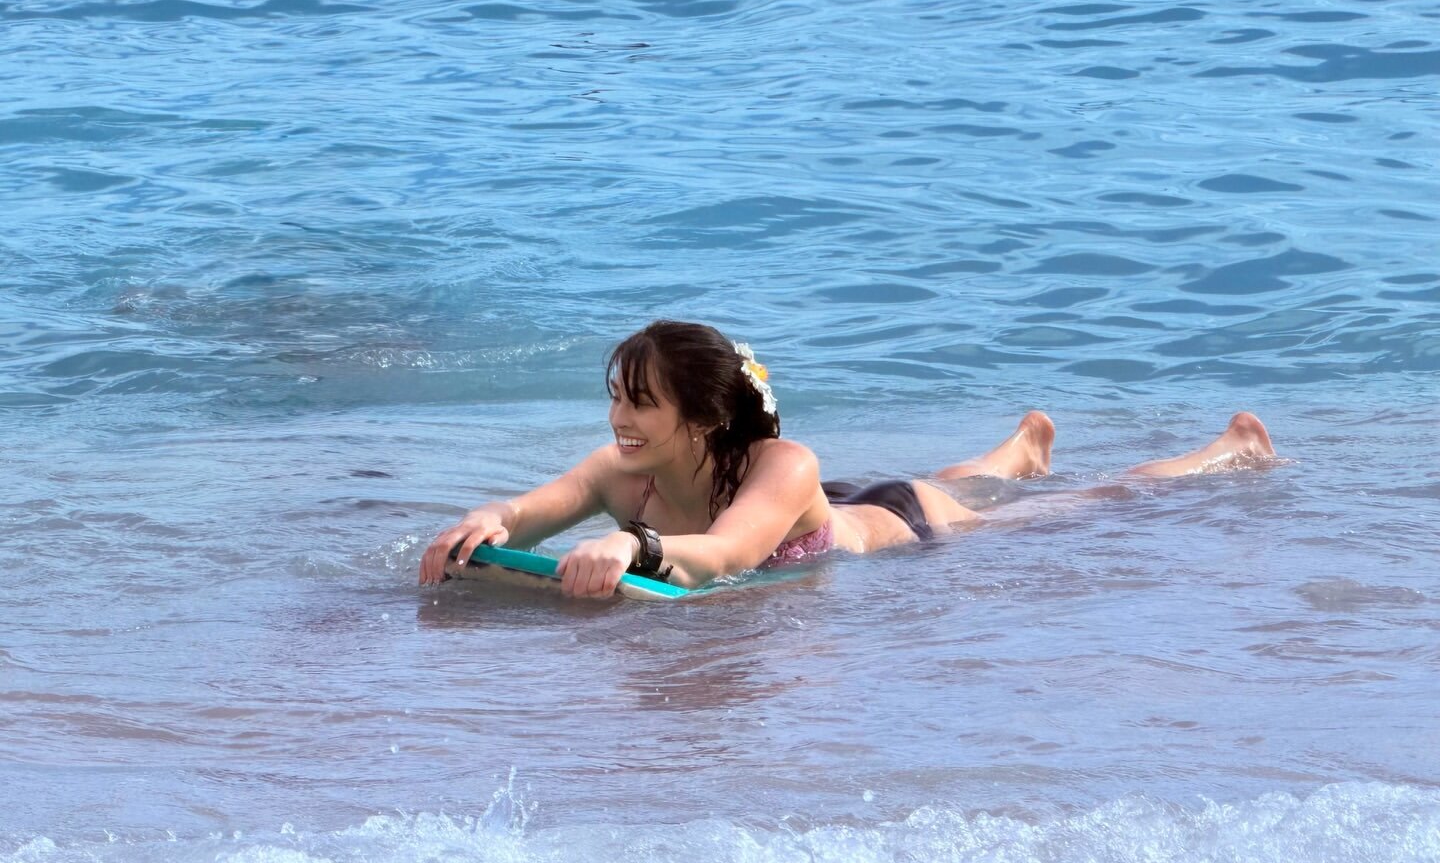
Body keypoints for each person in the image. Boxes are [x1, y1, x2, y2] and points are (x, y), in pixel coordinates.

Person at [418, 319, 1279, 597]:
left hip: (898, 520)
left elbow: (727, 552)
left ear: (704, 417)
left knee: (1079, 507)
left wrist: (630, 545)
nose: (619, 418)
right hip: (815, 503)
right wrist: (486, 522)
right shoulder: (620, 468)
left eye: (640, 402)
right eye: (615, 397)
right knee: (972, 476)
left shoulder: (786, 462)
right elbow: (531, 512)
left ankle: (1223, 450)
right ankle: (1014, 451)